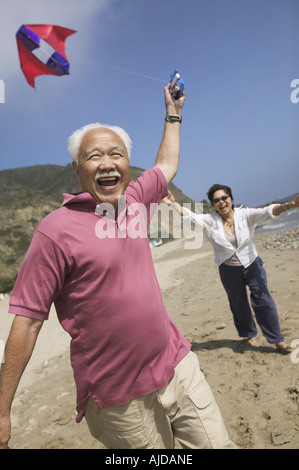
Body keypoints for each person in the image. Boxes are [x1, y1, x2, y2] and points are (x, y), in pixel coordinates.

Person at [0, 86, 236, 450]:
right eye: (94, 157)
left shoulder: (137, 202)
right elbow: (28, 321)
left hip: (177, 366)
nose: (107, 163)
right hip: (118, 397)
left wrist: (172, 113)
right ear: (78, 171)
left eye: (117, 154)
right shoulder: (54, 231)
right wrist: (3, 410)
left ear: (127, 164)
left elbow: (166, 165)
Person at [163, 186, 299, 353]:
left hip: (252, 264)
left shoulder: (245, 215)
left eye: (224, 197)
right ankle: (250, 334)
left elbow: (268, 212)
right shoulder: (210, 221)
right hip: (228, 269)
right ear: (213, 205)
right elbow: (190, 216)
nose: (221, 202)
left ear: (231, 199)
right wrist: (172, 204)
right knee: (239, 303)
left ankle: (277, 340)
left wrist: (289, 205)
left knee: (263, 300)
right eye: (216, 200)